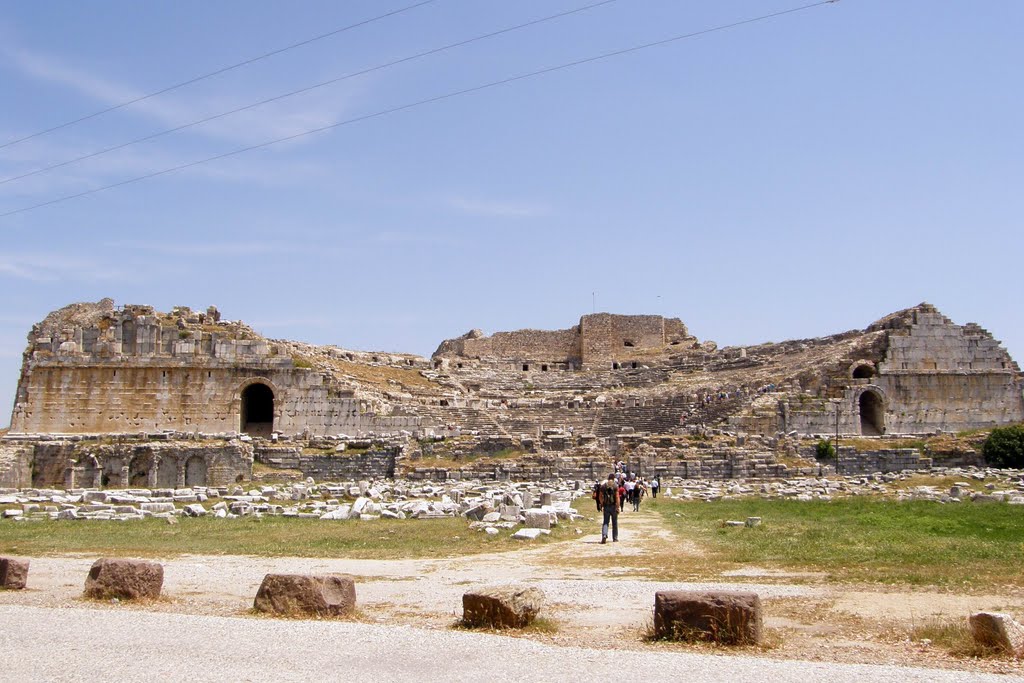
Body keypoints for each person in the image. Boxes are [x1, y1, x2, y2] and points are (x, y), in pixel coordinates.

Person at [598, 473, 619, 543]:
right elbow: (617, 497)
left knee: (606, 522)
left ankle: (604, 535)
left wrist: (602, 504)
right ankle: (615, 538)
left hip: (606, 505)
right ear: (613, 479)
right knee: (614, 523)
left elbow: (600, 496)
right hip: (613, 506)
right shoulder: (615, 486)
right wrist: (617, 507)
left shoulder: (603, 486)